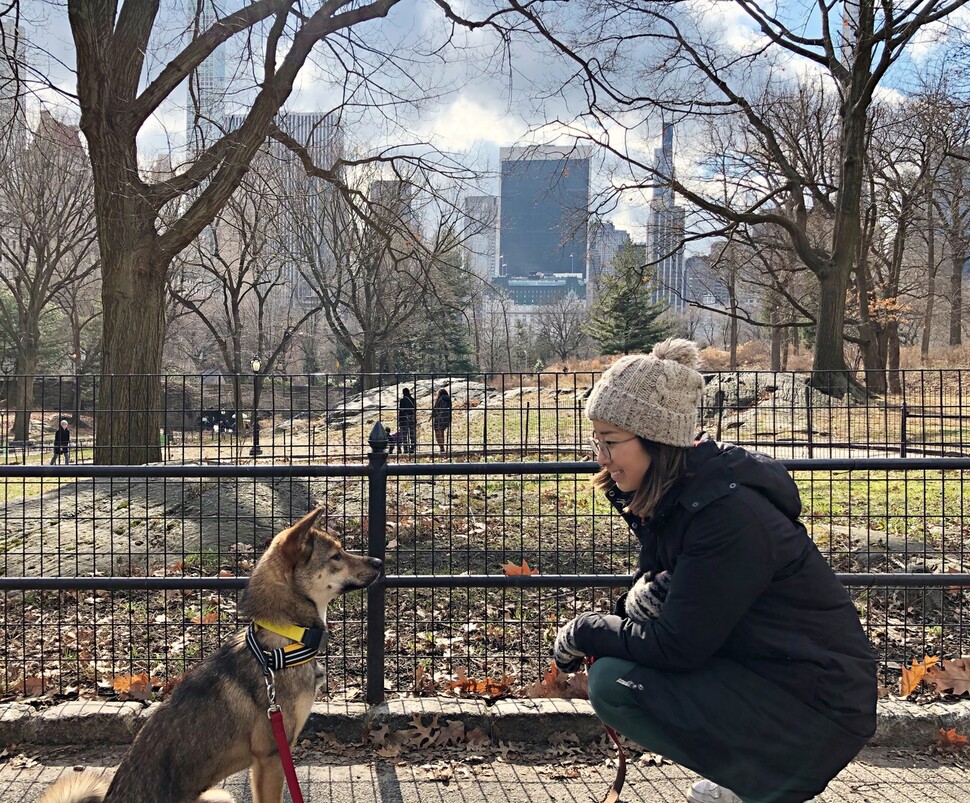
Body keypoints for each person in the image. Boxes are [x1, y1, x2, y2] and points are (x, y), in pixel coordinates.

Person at [552, 339, 876, 803]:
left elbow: (677, 645)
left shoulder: (726, 515)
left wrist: (586, 630)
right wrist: (635, 603)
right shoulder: (677, 499)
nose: (599, 456)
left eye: (609, 442)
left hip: (817, 711)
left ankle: (763, 783)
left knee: (612, 684)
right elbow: (672, 603)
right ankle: (748, 777)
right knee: (617, 668)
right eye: (595, 440)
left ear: (657, 437)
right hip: (770, 678)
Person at [431, 387, 452, 454]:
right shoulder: (448, 399)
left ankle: (441, 446)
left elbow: (436, 409)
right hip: (446, 418)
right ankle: (442, 445)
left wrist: (432, 416)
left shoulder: (440, 399)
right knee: (442, 432)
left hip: (439, 419)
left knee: (437, 432)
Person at [397, 388, 417, 454]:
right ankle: (412, 449)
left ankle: (405, 449)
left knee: (404, 435)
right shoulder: (413, 400)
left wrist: (399, 420)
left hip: (403, 419)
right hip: (412, 420)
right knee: (412, 435)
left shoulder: (402, 400)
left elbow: (401, 410)